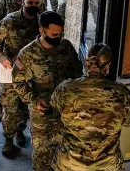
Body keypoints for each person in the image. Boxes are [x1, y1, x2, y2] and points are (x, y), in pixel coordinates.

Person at [50, 43, 130, 171]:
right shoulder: (121, 93)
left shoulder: (65, 88)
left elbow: (54, 110)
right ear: (108, 65)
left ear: (87, 63)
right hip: (106, 165)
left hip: (70, 162)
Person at [12, 11, 83, 170]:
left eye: (60, 33)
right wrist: (34, 100)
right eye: (54, 34)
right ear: (42, 31)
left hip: (66, 111)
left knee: (66, 152)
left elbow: (77, 72)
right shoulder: (28, 54)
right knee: (42, 155)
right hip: (42, 115)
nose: (58, 37)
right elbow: (18, 83)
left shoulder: (66, 47)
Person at [0, 0, 42, 158]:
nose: (33, 6)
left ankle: (20, 131)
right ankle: (8, 140)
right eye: (30, 3)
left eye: (36, 3)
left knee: (25, 107)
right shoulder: (10, 20)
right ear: (22, 2)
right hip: (10, 71)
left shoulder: (42, 20)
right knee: (10, 107)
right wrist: (1, 56)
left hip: (31, 73)